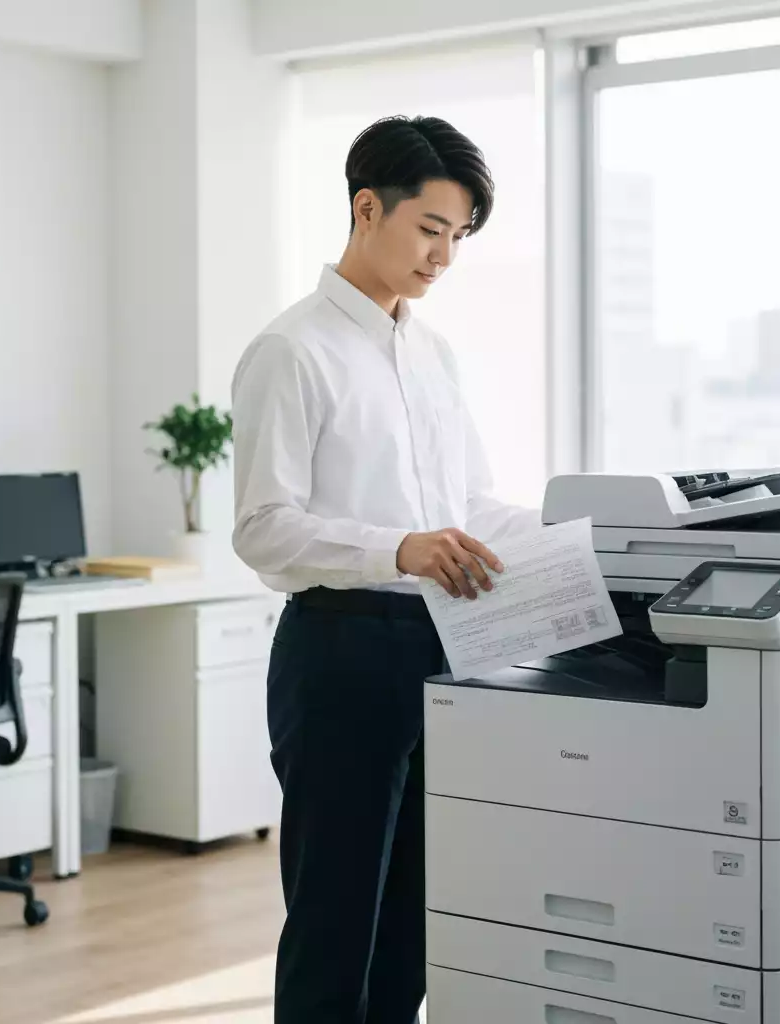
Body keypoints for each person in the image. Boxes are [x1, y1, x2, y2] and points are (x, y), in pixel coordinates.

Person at [230, 114, 541, 1024]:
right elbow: (262, 527)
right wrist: (396, 547)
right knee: (336, 922)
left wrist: (577, 527)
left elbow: (469, 502)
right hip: (340, 653)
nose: (444, 256)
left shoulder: (432, 354)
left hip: (440, 647)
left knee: (412, 925)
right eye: (430, 229)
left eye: (460, 238)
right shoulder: (292, 352)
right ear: (368, 209)